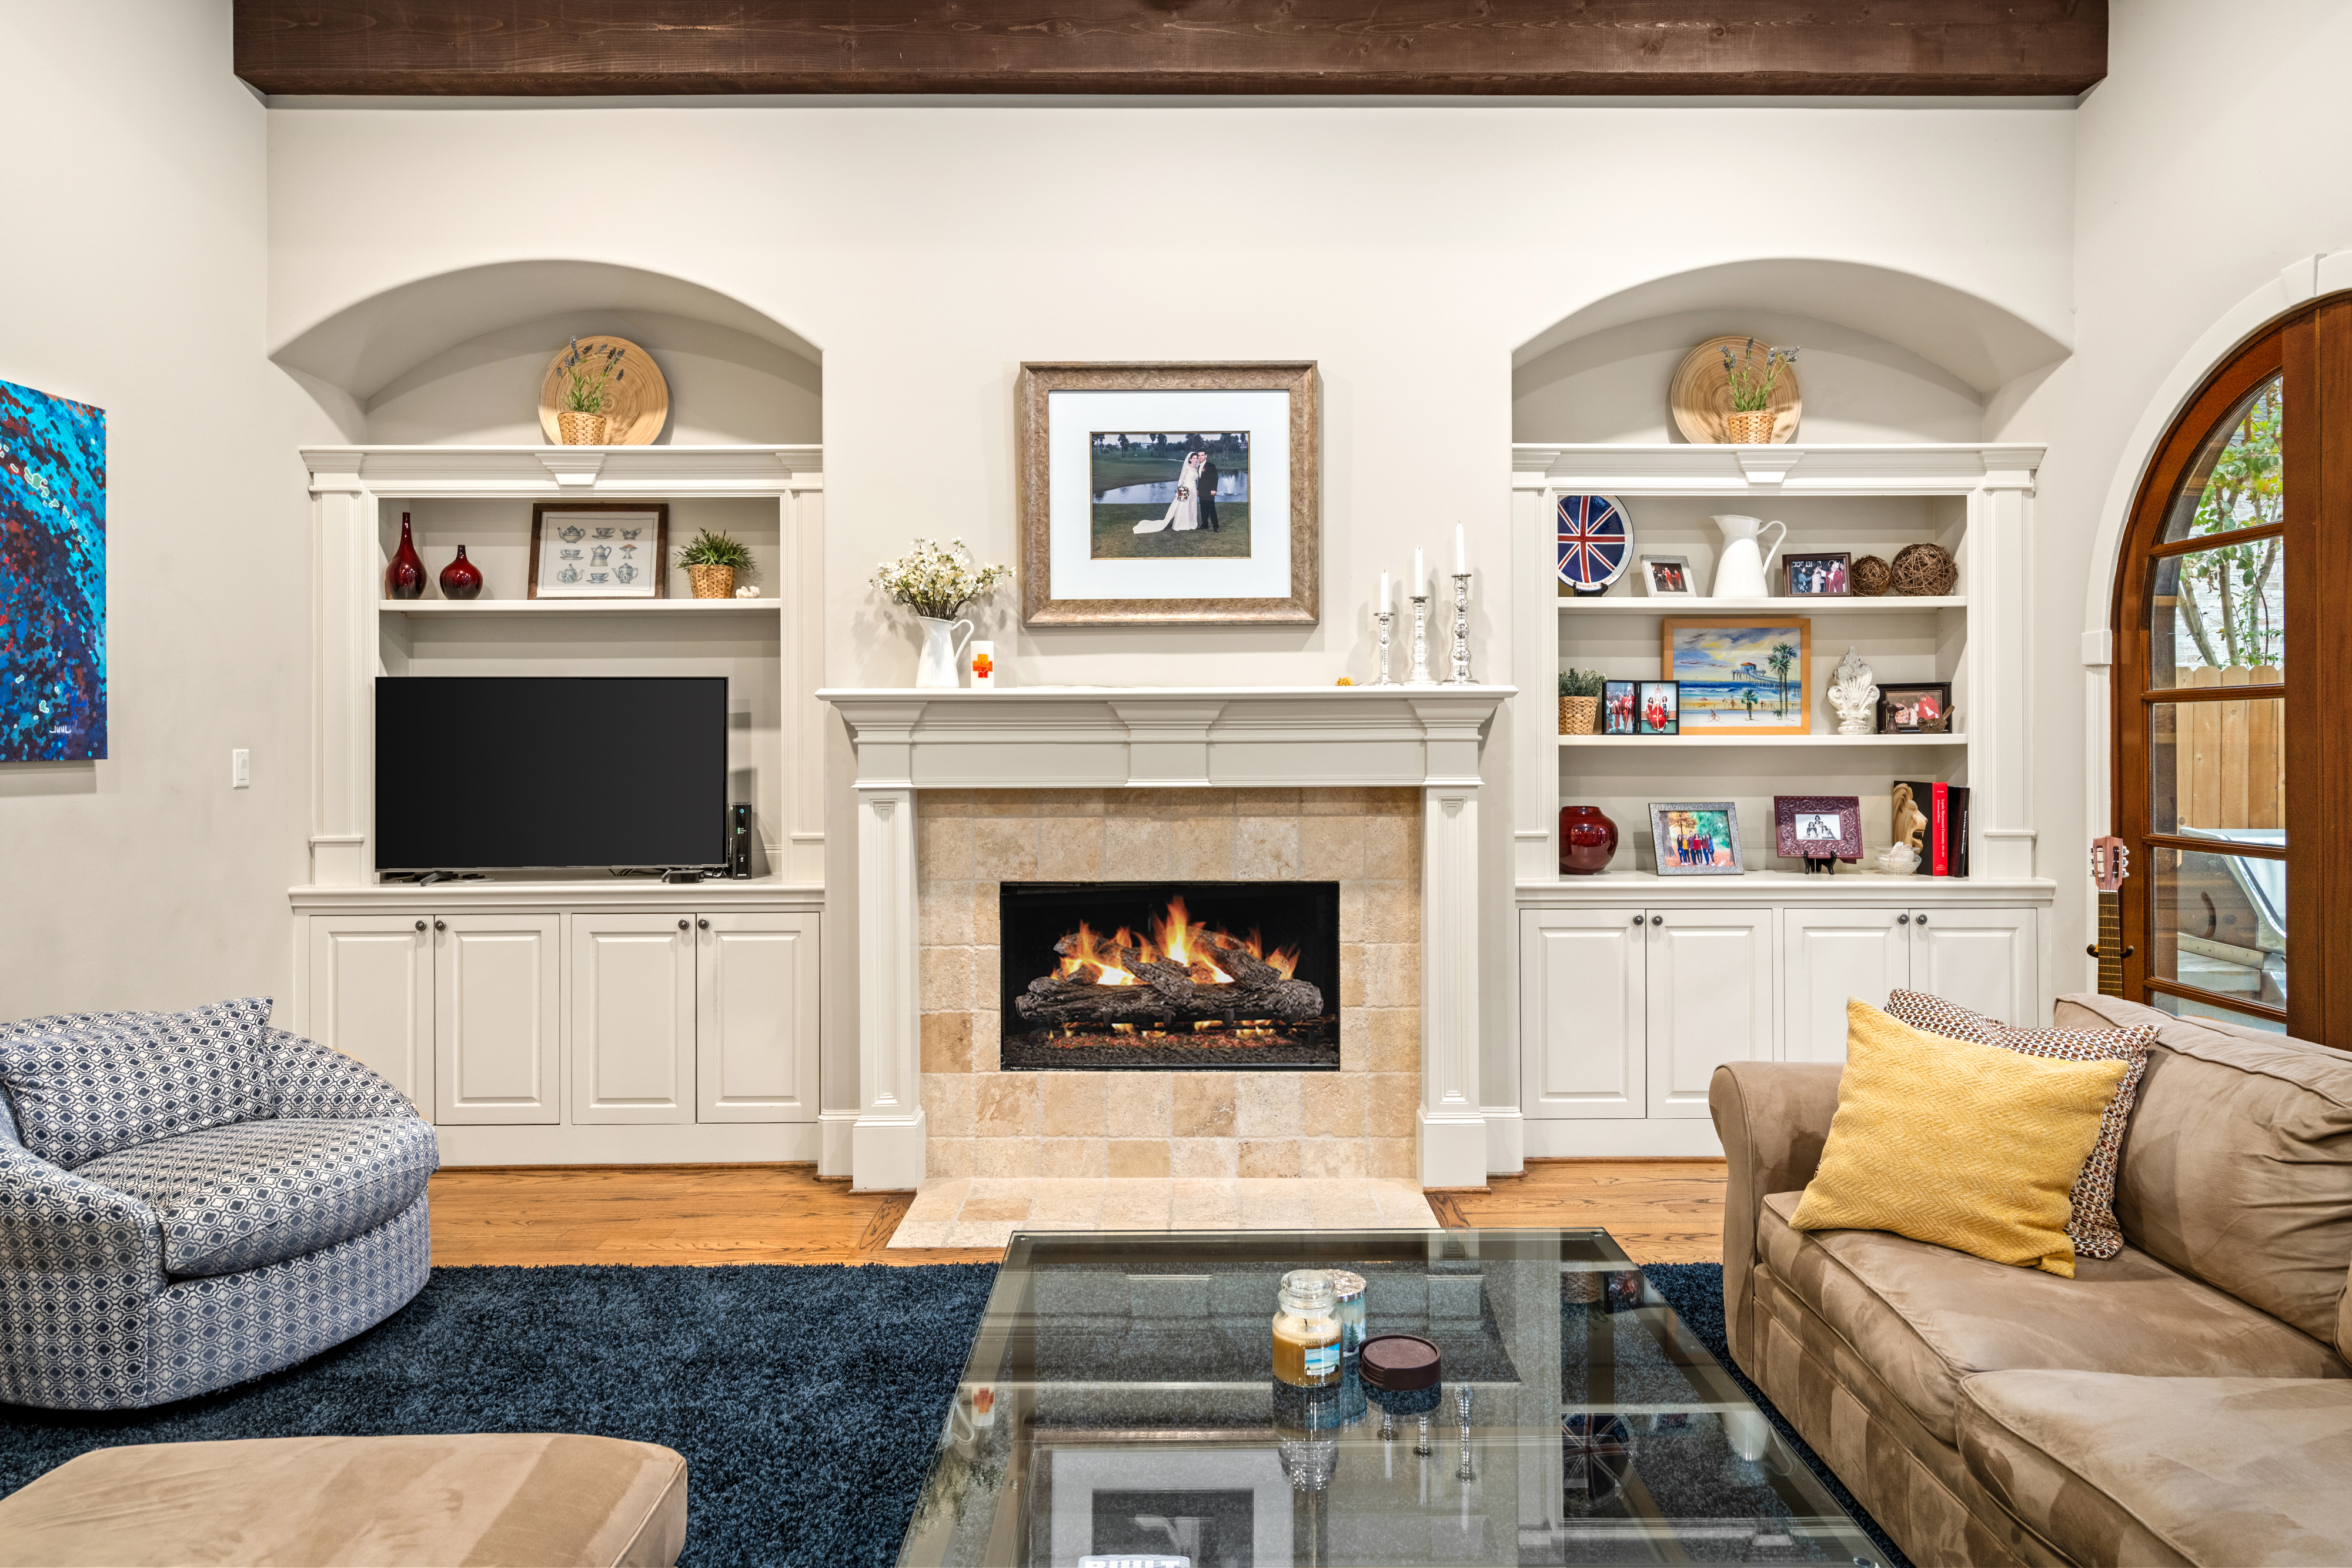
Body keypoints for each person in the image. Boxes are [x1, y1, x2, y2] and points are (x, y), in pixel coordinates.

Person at [1132, 451, 1205, 533]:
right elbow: (1181, 479)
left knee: (1192, 506)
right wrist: (1181, 490)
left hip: (1194, 490)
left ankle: (1192, 524)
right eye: (1194, 458)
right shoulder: (1187, 468)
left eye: (1197, 458)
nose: (1196, 460)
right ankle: (1181, 524)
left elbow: (1197, 481)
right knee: (1184, 506)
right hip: (1187, 489)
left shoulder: (1197, 469)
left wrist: (1197, 490)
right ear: (1190, 459)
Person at [1196, 449, 1222, 531]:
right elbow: (1200, 480)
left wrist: (1214, 489)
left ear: (1206, 456)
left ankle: (1216, 526)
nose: (1200, 457)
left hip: (1210, 491)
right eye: (1199, 456)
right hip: (1201, 491)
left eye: (1202, 455)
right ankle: (1205, 525)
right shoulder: (1199, 467)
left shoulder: (1211, 466)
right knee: (1203, 509)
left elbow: (1215, 478)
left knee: (1212, 509)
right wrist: (1198, 490)